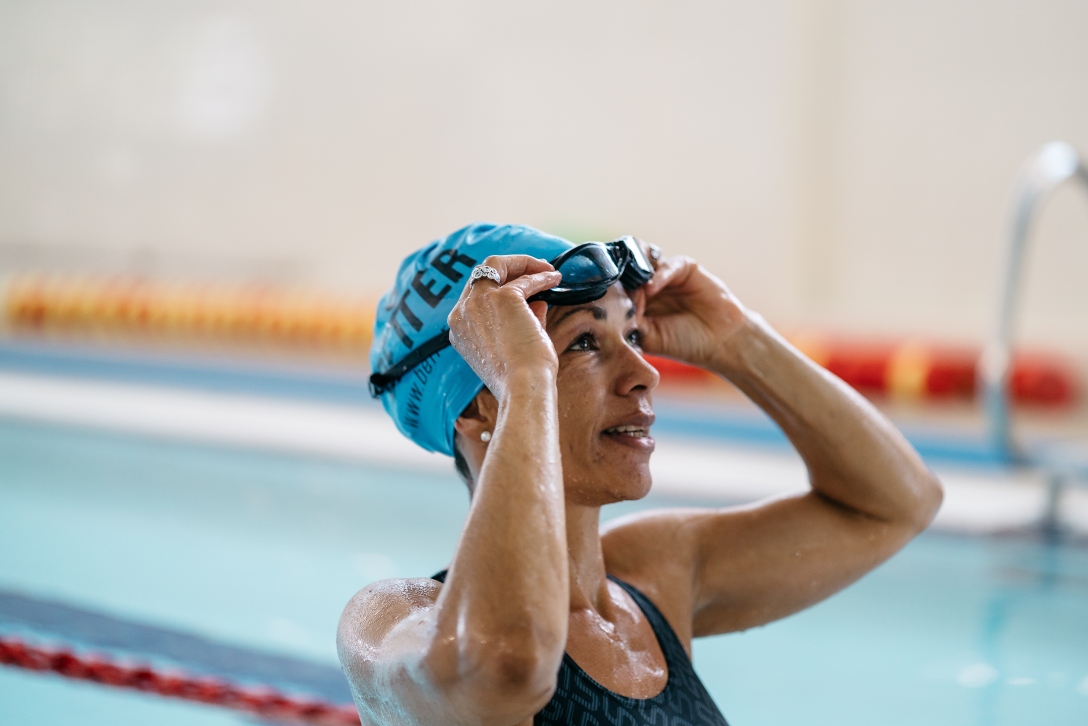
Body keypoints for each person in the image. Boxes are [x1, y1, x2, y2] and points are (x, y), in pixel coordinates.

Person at [338, 223, 943, 725]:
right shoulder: (396, 623)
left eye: (631, 333)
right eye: (580, 344)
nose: (644, 372)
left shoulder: (657, 573)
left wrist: (738, 339)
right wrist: (526, 380)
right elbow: (506, 664)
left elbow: (895, 503)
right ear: (478, 404)